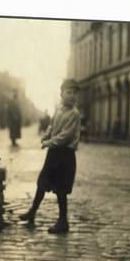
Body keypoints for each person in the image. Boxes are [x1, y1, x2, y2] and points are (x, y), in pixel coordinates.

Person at [19, 78, 81, 234]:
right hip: (54, 153)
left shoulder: (74, 114)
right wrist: (46, 135)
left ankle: (63, 221)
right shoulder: (59, 109)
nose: (72, 96)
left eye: (74, 93)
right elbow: (52, 126)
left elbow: (66, 136)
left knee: (61, 189)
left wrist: (49, 142)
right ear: (61, 94)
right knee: (42, 182)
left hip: (65, 154)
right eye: (68, 92)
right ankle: (32, 212)